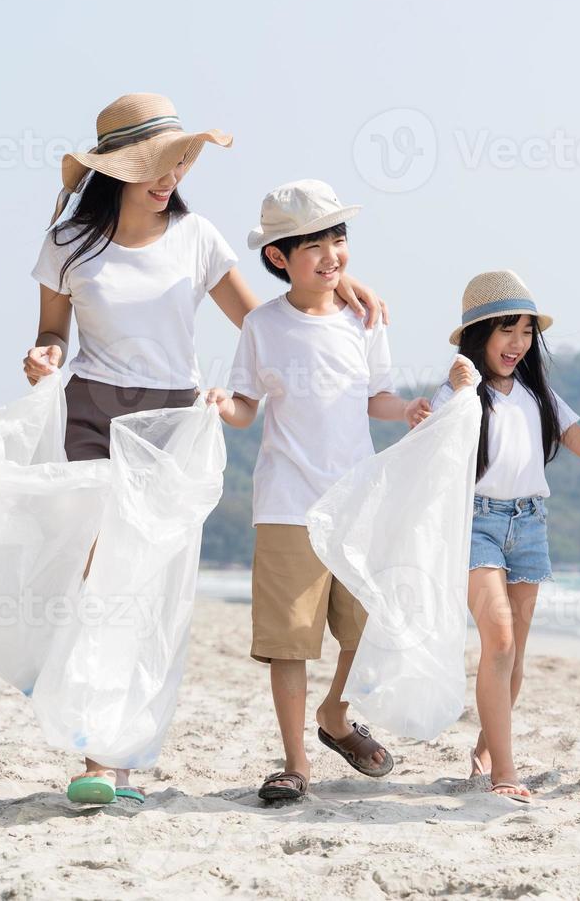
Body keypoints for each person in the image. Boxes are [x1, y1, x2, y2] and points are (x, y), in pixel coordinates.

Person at [23, 96, 385, 805]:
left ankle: (118, 757)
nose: (174, 176)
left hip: (173, 423)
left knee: (149, 589)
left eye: (182, 161)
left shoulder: (197, 238)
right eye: (160, 164)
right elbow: (53, 333)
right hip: (92, 416)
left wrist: (334, 282)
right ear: (117, 169)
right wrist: (43, 356)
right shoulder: (68, 244)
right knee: (104, 586)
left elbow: (268, 322)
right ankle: (96, 757)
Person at [211, 179, 423, 802]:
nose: (332, 255)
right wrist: (226, 405)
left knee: (367, 629)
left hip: (356, 502)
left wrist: (409, 406)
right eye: (315, 245)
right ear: (279, 257)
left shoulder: (364, 318)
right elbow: (248, 406)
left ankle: (335, 714)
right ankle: (296, 763)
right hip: (285, 504)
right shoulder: (261, 326)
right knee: (289, 641)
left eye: (339, 238)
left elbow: (375, 396)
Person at [409, 270, 580, 801]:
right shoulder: (461, 391)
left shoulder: (539, 395)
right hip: (476, 523)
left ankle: (485, 749)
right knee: (497, 637)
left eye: (525, 332)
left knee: (513, 652)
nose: (517, 343)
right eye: (505, 331)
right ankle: (505, 774)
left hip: (530, 524)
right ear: (479, 335)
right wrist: (453, 391)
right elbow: (430, 445)